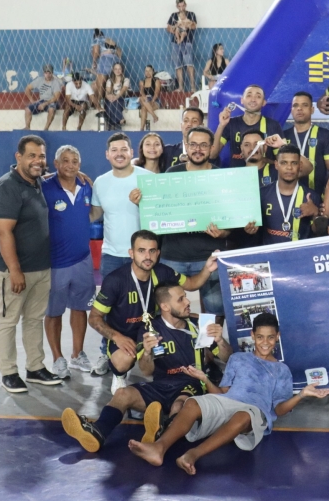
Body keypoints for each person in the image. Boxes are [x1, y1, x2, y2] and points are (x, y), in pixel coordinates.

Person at [128, 313, 329, 472]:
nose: (265, 342)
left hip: (254, 411)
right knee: (192, 403)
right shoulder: (238, 359)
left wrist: (301, 395)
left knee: (243, 416)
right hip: (228, 401)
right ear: (252, 336)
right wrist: (205, 379)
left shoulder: (282, 370)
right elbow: (222, 392)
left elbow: (278, 410)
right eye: (260, 337)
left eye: (270, 337)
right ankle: (159, 448)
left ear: (277, 337)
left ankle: (192, 455)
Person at [62, 282, 231, 452]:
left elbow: (228, 358)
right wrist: (148, 353)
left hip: (192, 383)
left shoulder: (200, 324)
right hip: (161, 385)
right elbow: (146, 371)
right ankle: (98, 432)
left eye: (186, 297)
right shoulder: (150, 328)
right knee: (122, 394)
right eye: (181, 299)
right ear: (164, 306)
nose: (187, 302)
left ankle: (161, 435)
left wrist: (220, 341)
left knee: (180, 404)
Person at [89, 230, 219, 393]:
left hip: (155, 331)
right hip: (126, 335)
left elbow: (192, 283)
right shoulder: (115, 280)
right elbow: (94, 318)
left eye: (152, 251)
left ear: (158, 253)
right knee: (123, 360)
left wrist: (207, 268)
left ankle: (202, 366)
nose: (147, 256)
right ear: (131, 253)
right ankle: (120, 375)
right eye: (141, 251)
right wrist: (117, 337)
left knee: (200, 320)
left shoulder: (163, 271)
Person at [0, 135, 62, 393]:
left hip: (40, 268)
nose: (37, 161)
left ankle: (35, 367)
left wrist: (79, 172)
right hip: (13, 271)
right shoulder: (8, 186)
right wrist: (15, 270)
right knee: (7, 322)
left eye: (41, 155)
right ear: (18, 157)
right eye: (31, 155)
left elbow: (57, 174)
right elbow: (4, 232)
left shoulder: (38, 182)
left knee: (33, 320)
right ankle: (8, 372)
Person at [137, 127, 227, 316]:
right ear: (186, 146)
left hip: (208, 256)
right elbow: (158, 212)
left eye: (203, 145)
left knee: (216, 310)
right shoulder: (171, 174)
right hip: (173, 256)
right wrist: (142, 203)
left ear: (211, 148)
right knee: (167, 308)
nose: (198, 149)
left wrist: (223, 232)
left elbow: (231, 223)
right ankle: (174, 343)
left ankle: (211, 346)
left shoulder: (222, 177)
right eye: (193, 144)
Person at [90, 133, 153, 375]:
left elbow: (159, 215)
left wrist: (143, 205)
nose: (119, 153)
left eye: (123, 149)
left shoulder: (147, 179)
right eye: (114, 150)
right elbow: (93, 214)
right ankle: (106, 352)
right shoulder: (100, 183)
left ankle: (151, 354)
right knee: (109, 310)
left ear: (131, 152)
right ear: (107, 155)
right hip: (112, 255)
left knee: (148, 308)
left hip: (144, 255)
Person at [41, 145, 96, 379]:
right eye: (65, 161)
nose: (70, 165)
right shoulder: (44, 187)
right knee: (53, 312)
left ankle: (77, 354)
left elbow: (93, 213)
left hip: (83, 260)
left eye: (74, 161)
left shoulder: (86, 186)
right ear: (55, 164)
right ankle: (57, 358)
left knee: (80, 308)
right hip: (55, 263)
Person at [245, 144, 320, 245]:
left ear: (300, 166)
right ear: (276, 165)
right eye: (284, 163)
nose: (289, 167)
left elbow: (319, 232)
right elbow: (252, 231)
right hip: (270, 256)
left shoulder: (311, 196)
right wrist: (250, 230)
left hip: (300, 256)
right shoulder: (261, 194)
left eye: (294, 163)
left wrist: (315, 213)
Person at [265, 92, 329, 197]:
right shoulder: (282, 137)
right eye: (295, 105)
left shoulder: (325, 135)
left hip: (318, 198)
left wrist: (328, 199)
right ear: (291, 110)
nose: (299, 108)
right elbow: (274, 167)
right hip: (287, 198)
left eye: (305, 105)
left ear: (312, 110)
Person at [213, 84, 282, 167]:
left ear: (264, 103)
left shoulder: (273, 125)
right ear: (242, 100)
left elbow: (281, 161)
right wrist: (221, 125)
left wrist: (262, 160)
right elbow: (212, 155)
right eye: (249, 95)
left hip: (265, 178)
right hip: (238, 177)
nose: (253, 99)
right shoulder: (231, 123)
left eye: (258, 96)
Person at [167, 0, 198, 93]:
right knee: (178, 65)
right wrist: (175, 28)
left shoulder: (191, 14)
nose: (181, 7)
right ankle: (181, 87)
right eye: (179, 6)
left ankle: (193, 87)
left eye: (183, 5)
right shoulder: (173, 15)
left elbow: (194, 26)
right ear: (177, 6)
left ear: (185, 5)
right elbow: (168, 28)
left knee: (189, 64)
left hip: (187, 42)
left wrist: (186, 25)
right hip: (175, 43)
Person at [23, 64, 63, 130]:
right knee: (27, 109)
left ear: (52, 73)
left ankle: (46, 128)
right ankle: (27, 127)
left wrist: (45, 104)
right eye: (46, 73)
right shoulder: (39, 80)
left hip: (52, 101)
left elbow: (56, 97)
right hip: (42, 101)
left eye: (49, 73)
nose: (48, 75)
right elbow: (27, 88)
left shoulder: (56, 82)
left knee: (51, 109)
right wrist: (32, 100)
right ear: (43, 73)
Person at [92, 29, 122, 105]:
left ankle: (100, 103)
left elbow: (96, 52)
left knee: (101, 84)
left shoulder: (96, 40)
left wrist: (94, 62)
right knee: (111, 82)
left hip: (105, 61)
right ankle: (111, 102)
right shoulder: (110, 40)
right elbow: (119, 52)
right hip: (115, 62)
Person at [104, 62, 130, 130]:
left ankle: (111, 125)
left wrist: (116, 97)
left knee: (113, 104)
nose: (117, 71)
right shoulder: (109, 80)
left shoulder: (126, 80)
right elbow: (107, 93)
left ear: (122, 70)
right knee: (110, 104)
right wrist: (110, 97)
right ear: (113, 70)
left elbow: (123, 90)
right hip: (111, 99)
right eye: (115, 69)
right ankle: (120, 119)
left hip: (121, 99)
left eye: (119, 69)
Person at [139, 64, 162, 130]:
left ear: (153, 71)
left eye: (150, 71)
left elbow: (156, 93)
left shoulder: (156, 80)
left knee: (144, 108)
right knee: (142, 98)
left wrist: (152, 101)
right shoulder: (142, 81)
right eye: (146, 71)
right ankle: (154, 116)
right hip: (145, 100)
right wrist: (146, 99)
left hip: (155, 100)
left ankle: (141, 129)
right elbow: (142, 92)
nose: (148, 73)